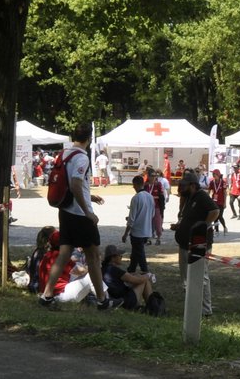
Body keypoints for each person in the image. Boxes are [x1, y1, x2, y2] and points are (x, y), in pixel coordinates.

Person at [39, 128, 109, 309]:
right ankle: (102, 300)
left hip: (65, 210)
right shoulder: (82, 157)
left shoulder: (64, 154)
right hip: (79, 214)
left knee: (64, 254)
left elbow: (72, 185)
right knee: (93, 256)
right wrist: (88, 211)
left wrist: (90, 196)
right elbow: (76, 183)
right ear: (88, 139)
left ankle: (46, 295)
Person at [174, 170, 219, 316]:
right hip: (184, 243)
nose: (181, 189)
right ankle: (191, 305)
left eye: (184, 186)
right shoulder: (188, 198)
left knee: (202, 276)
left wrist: (203, 226)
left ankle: (206, 310)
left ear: (193, 185)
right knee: (186, 278)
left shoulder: (201, 196)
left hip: (198, 244)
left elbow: (215, 211)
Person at [101, 242, 155, 308]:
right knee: (144, 281)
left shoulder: (104, 268)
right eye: (119, 255)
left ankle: (152, 306)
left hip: (116, 298)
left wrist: (137, 274)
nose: (121, 256)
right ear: (112, 258)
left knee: (142, 278)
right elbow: (137, 280)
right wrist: (148, 275)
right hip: (124, 301)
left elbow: (126, 276)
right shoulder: (114, 270)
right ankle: (154, 307)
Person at [123, 174, 156, 273]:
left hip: (137, 231)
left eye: (133, 185)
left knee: (139, 252)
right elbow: (152, 214)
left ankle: (145, 271)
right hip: (147, 230)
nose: (133, 187)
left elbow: (132, 219)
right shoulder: (150, 197)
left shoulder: (136, 198)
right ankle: (131, 268)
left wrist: (125, 234)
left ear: (136, 184)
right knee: (136, 251)